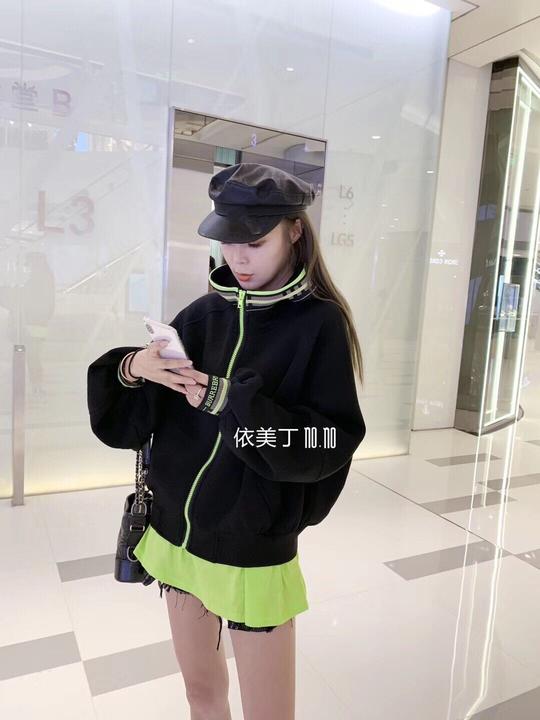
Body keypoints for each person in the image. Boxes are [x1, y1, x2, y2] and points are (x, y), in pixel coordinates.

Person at [87, 162, 367, 720]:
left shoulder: (319, 326)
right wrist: (134, 368)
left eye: (255, 242)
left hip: (251, 549)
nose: (238, 258)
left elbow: (328, 438)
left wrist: (232, 405)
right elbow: (133, 424)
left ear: (294, 231)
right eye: (228, 240)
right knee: (201, 695)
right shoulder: (199, 317)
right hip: (176, 536)